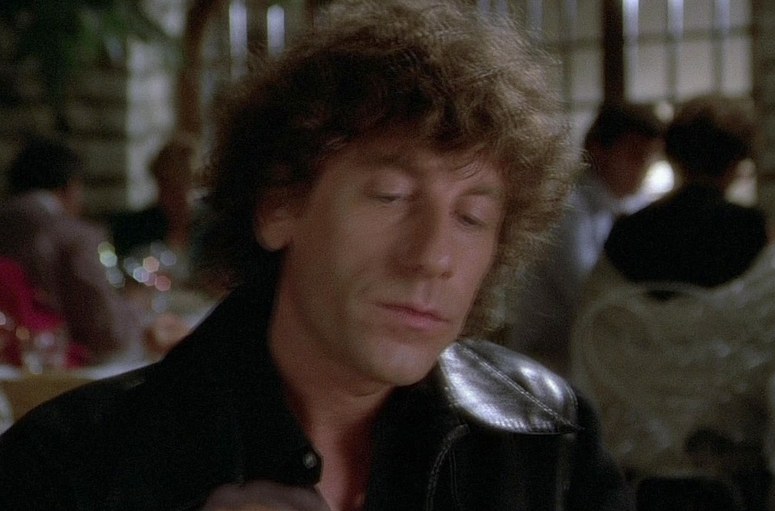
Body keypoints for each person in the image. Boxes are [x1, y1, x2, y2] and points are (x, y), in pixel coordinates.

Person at [0, 1, 633, 510]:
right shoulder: (69, 465)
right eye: (390, 196)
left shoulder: (549, 438)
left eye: (472, 217)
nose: (433, 257)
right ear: (279, 205)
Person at [572, 94, 775, 509]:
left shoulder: (627, 233)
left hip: (637, 440)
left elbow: (594, 330)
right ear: (738, 163)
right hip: (727, 440)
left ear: (673, 157)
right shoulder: (752, 231)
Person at [509, 102, 664, 376]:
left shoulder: (636, 205)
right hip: (548, 363)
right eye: (634, 155)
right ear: (599, 149)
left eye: (649, 158)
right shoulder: (567, 208)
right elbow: (588, 295)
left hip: (602, 355)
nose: (643, 167)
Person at [0, 135, 145, 365]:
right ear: (69, 187)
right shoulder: (75, 237)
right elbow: (110, 333)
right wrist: (135, 310)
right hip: (65, 371)